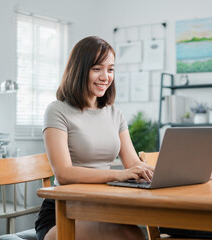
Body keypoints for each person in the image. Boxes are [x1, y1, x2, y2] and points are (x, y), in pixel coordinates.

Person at [35, 36, 154, 240]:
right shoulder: (57, 111)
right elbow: (63, 173)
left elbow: (132, 162)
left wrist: (158, 174)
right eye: (97, 68)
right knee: (130, 236)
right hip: (63, 213)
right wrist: (118, 175)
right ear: (80, 70)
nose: (105, 77)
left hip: (101, 206)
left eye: (110, 69)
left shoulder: (114, 113)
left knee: (139, 233)